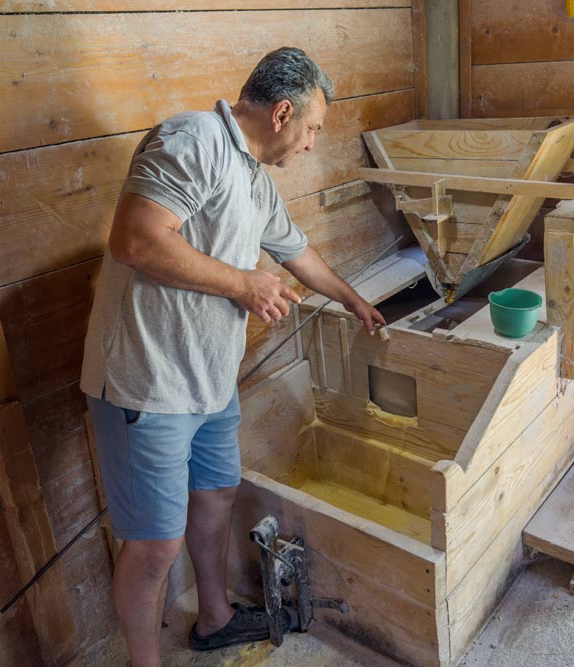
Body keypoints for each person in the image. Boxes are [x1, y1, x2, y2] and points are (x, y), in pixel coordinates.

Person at [80, 47, 386, 665]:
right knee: (154, 548)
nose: (310, 144)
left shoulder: (253, 178)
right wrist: (244, 284)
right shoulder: (191, 140)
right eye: (313, 129)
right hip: (149, 384)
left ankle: (214, 619)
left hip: (208, 381)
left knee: (216, 496)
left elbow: (294, 252)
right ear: (281, 113)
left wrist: (355, 300)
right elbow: (135, 239)